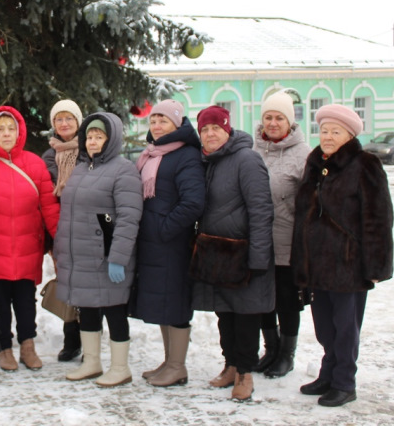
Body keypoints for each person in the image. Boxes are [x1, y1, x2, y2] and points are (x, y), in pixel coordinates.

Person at [292, 104, 394, 407]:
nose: (328, 136)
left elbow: (378, 218)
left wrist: (377, 265)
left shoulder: (365, 165)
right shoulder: (315, 163)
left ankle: (345, 382)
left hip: (348, 264)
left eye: (336, 131)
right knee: (324, 324)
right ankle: (328, 374)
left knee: (346, 327)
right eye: (324, 130)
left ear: (349, 136)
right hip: (317, 264)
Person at [54, 113, 143, 388]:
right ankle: (92, 362)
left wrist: (117, 258)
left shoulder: (123, 169)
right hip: (80, 256)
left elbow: (127, 218)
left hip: (105, 256)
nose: (93, 142)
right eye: (89, 137)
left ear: (111, 139)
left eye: (99, 136)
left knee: (114, 311)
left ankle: (120, 367)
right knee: (88, 310)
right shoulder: (81, 168)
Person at [192, 105, 274, 402]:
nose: (210, 134)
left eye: (216, 128)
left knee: (246, 315)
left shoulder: (247, 160)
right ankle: (229, 366)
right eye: (204, 129)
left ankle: (245, 374)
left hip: (243, 252)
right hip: (217, 251)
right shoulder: (208, 162)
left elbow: (261, 210)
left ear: (227, 130)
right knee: (224, 313)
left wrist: (259, 257)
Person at [0, 106, 59, 372]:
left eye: (11, 128)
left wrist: (59, 242)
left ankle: (28, 344)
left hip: (27, 246)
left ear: (19, 132)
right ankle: (4, 347)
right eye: (1, 129)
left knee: (24, 300)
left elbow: (49, 206)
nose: (6, 133)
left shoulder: (34, 163)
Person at [132, 100, 205, 387]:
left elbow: (193, 202)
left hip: (172, 245)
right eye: (153, 120)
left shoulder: (185, 155)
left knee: (175, 302)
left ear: (177, 123)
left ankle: (177, 366)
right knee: (163, 303)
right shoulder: (152, 154)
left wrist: (163, 229)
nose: (157, 125)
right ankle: (169, 361)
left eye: (163, 120)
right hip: (153, 243)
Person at [251, 91, 311, 378]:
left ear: (290, 121)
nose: (272, 123)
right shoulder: (253, 150)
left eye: (279, 118)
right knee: (263, 297)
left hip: (288, 239)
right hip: (258, 240)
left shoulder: (304, 154)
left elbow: (311, 201)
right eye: (268, 117)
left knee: (287, 300)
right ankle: (271, 348)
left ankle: (287, 354)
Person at [41, 99, 84, 362]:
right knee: (68, 284)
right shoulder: (48, 156)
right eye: (59, 119)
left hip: (86, 229)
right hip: (60, 231)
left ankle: (90, 335)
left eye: (69, 118)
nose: (64, 123)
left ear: (78, 122)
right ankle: (72, 340)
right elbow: (45, 197)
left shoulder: (90, 150)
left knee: (90, 285)